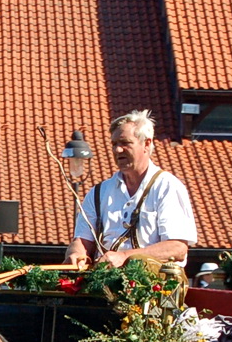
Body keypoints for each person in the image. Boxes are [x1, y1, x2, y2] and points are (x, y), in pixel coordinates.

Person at [65, 110, 197, 269]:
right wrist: (76, 253)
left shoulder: (167, 187)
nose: (117, 150)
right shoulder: (98, 193)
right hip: (102, 285)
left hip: (154, 287)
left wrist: (124, 257)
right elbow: (82, 240)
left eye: (125, 143)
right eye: (114, 144)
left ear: (146, 144)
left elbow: (177, 248)